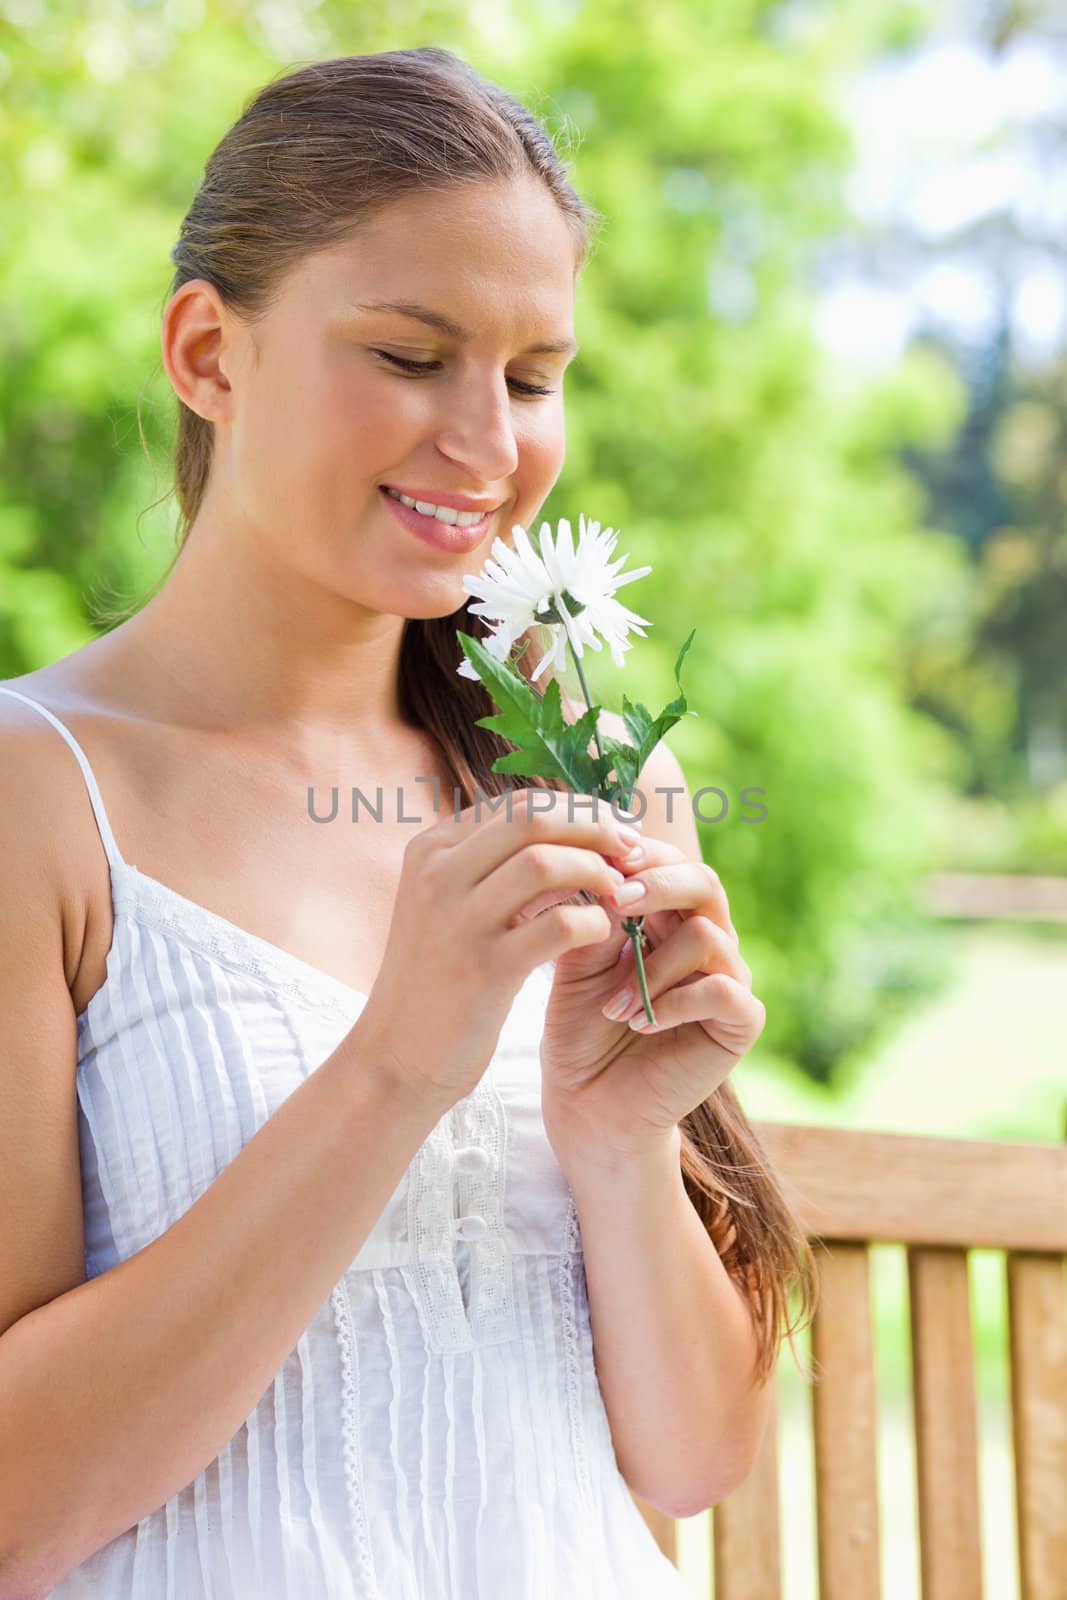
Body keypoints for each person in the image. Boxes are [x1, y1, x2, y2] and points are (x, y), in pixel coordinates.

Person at [0, 47, 817, 1598]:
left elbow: (693, 1464)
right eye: (408, 355)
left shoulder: (583, 783)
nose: (488, 447)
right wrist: (394, 1068)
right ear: (206, 352)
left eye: (528, 378)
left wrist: (621, 1136)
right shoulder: (37, 795)